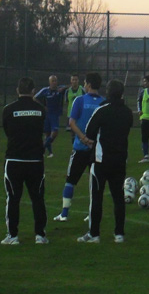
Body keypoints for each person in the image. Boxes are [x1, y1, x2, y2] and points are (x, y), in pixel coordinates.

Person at [78, 80, 133, 244]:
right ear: (121, 93)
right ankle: (119, 234)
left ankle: (94, 234)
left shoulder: (102, 110)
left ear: (108, 93)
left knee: (96, 198)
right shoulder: (128, 112)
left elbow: (89, 132)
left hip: (101, 160)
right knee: (118, 198)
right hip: (120, 160)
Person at [1, 77, 49, 245]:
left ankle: (12, 236)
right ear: (33, 91)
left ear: (17, 90)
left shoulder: (8, 110)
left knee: (13, 198)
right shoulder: (41, 110)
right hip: (35, 160)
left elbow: (7, 132)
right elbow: (44, 130)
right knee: (38, 198)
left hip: (14, 159)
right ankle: (40, 235)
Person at [53, 73, 105, 222]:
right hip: (96, 149)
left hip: (80, 147)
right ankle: (92, 214)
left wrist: (83, 138)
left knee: (70, 181)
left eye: (85, 82)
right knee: (94, 183)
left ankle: (64, 213)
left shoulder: (80, 100)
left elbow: (72, 122)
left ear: (88, 84)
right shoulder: (103, 102)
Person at [34, 75, 67, 158]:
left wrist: (64, 88)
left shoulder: (60, 89)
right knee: (47, 134)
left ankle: (42, 148)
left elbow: (70, 86)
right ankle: (50, 153)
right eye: (53, 81)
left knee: (54, 133)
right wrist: (42, 106)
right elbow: (35, 98)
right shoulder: (45, 90)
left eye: (55, 81)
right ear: (49, 82)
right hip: (47, 115)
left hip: (55, 115)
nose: (54, 82)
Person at [65, 73, 85, 143]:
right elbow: (67, 102)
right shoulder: (67, 91)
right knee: (72, 133)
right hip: (71, 115)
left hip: (80, 115)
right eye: (73, 80)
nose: (74, 81)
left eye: (76, 80)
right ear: (71, 81)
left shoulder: (82, 90)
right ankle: (74, 147)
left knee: (80, 132)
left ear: (78, 81)